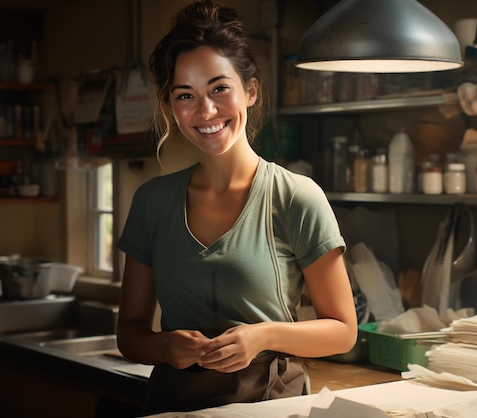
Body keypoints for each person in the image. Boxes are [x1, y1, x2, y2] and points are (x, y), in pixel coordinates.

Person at [116, 0, 358, 414]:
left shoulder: (296, 197)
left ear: (250, 89)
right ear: (171, 107)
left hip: (269, 405)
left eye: (219, 88)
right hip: (173, 406)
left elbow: (342, 331)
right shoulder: (151, 203)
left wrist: (263, 337)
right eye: (185, 95)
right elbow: (130, 334)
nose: (205, 111)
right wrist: (165, 345)